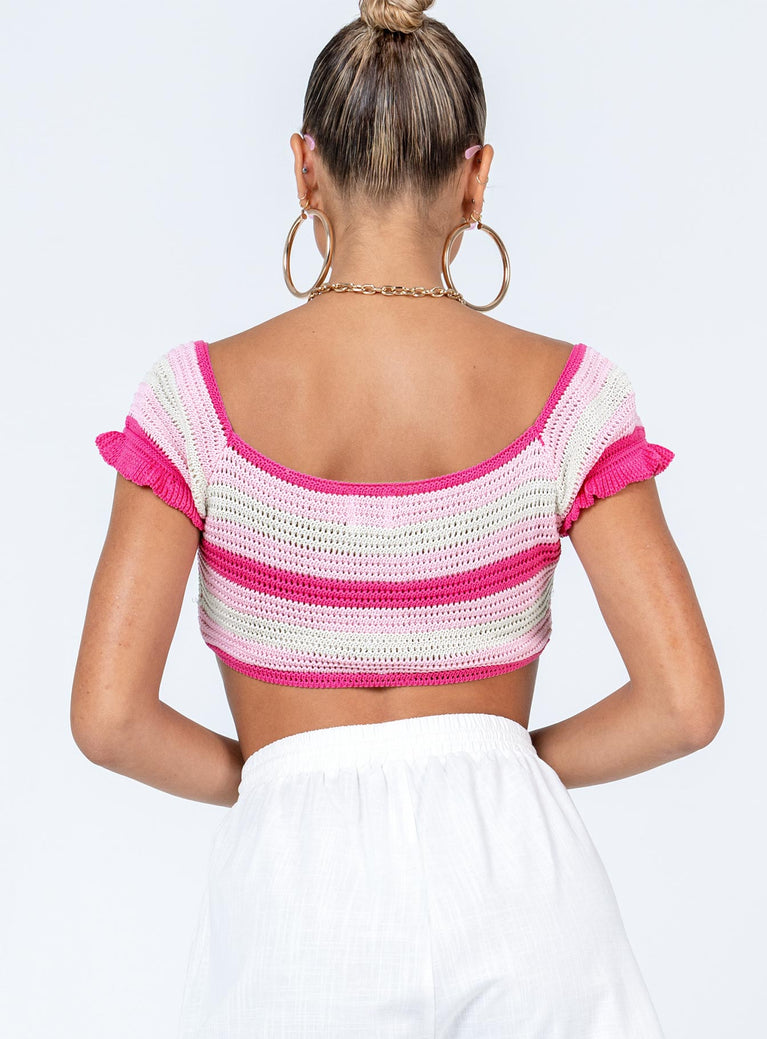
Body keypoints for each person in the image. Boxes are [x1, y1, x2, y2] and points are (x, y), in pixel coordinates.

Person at [71, 1, 724, 1036]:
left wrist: (280, 776)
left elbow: (108, 719)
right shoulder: (572, 397)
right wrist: (493, 763)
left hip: (294, 918)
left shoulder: (192, 404)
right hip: (524, 902)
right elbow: (683, 705)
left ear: (304, 167)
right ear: (474, 176)